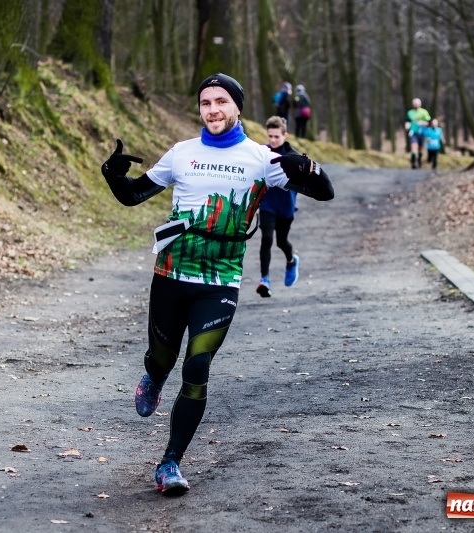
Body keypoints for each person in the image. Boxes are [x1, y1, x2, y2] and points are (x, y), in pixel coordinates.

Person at [100, 73, 334, 496]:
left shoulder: (262, 158)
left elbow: (325, 192)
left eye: (221, 101)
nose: (212, 109)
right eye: (205, 102)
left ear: (238, 107)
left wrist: (310, 168)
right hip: (171, 275)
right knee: (162, 357)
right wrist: (113, 176)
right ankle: (152, 376)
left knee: (197, 366)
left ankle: (170, 463)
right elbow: (133, 196)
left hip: (220, 281)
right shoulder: (182, 153)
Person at [257, 116, 300, 298]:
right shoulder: (262, 153)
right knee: (266, 238)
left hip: (286, 207)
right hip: (267, 204)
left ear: (285, 135)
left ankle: (291, 261)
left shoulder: (293, 156)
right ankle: (264, 280)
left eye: (276, 136)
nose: (273, 140)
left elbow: (303, 182)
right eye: (270, 136)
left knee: (281, 242)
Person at [404, 97, 431, 169]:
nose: (416, 104)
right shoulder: (410, 113)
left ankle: (419, 159)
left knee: (420, 149)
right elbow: (407, 121)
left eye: (417, 103)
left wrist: (422, 122)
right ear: (412, 104)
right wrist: (407, 126)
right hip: (413, 132)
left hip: (422, 132)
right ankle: (413, 161)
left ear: (420, 104)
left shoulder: (424, 112)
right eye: (414, 103)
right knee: (414, 147)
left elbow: (428, 122)